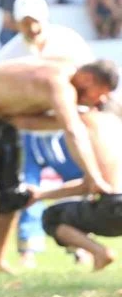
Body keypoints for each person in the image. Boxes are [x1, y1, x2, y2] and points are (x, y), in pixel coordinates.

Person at [0, 53, 118, 278]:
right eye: (100, 94)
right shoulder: (59, 83)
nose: (99, 102)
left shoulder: (68, 84)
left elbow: (27, 122)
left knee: (10, 189)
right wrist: (94, 177)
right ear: (89, 79)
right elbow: (72, 131)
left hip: (6, 116)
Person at [0, 0, 92, 267]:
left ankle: (79, 243)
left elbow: (90, 76)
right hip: (27, 132)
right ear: (16, 23)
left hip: (64, 127)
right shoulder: (7, 56)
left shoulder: (69, 42)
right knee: (27, 187)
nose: (32, 27)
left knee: (77, 182)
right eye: (25, 22)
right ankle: (28, 248)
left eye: (35, 21)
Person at [29, 110, 122, 271]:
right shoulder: (115, 128)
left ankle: (99, 252)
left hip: (113, 207)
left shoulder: (92, 129)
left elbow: (90, 185)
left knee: (51, 217)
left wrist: (41, 195)